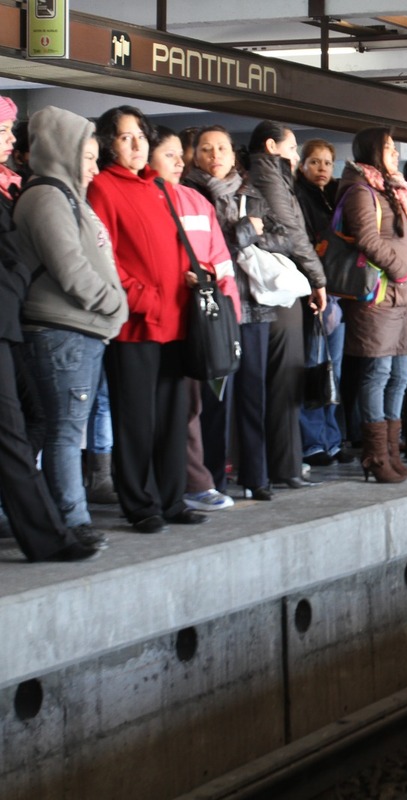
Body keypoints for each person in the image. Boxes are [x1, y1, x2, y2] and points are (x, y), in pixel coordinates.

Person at [87, 105, 204, 532]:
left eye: (140, 135)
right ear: (109, 144)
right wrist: (143, 298)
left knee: (173, 419)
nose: (137, 144)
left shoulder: (158, 186)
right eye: (125, 137)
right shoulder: (102, 187)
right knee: (136, 421)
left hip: (175, 319)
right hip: (135, 324)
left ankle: (172, 499)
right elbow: (103, 257)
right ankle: (140, 505)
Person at [16, 106, 129, 547]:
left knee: (58, 428)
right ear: (62, 151)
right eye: (87, 157)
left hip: (79, 330)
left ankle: (56, 517)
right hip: (62, 331)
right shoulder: (47, 196)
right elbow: (71, 269)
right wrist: (114, 305)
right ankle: (71, 522)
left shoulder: (66, 195)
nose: (94, 168)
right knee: (65, 431)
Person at [0, 96, 100, 562]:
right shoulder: (34, 194)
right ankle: (49, 537)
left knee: (31, 419)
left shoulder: (13, 187)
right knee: (15, 430)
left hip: (10, 322)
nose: (10, 138)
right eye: (2, 130)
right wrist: (18, 274)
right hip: (10, 318)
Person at [184, 125, 280, 501]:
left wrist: (249, 234)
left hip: (254, 307)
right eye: (206, 149)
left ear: (232, 153)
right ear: (195, 155)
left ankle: (257, 476)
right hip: (215, 311)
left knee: (254, 395)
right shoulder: (190, 193)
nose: (214, 156)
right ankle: (213, 479)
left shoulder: (251, 192)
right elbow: (204, 248)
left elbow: (283, 238)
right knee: (216, 401)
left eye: (221, 148)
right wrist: (244, 231)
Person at [147, 126, 239, 513]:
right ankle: (160, 487)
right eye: (169, 155)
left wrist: (229, 319)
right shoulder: (141, 198)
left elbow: (221, 260)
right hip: (150, 320)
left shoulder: (196, 200)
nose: (179, 162)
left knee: (190, 406)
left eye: (178, 155)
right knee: (153, 410)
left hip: (194, 321)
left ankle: (194, 483)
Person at [336, 127, 407, 482]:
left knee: (402, 375)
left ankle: (392, 453)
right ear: (372, 151)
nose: (395, 153)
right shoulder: (361, 189)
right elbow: (367, 238)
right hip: (380, 295)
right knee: (379, 374)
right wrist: (401, 270)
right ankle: (375, 457)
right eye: (388, 148)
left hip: (404, 295)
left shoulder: (394, 189)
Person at [246, 120, 327, 490]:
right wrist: (318, 278)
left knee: (282, 379)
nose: (296, 155)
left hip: (279, 285)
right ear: (271, 146)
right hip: (278, 288)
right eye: (292, 147)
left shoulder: (273, 176)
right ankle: (284, 466)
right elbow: (292, 233)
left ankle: (284, 463)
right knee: (283, 378)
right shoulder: (269, 176)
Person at [294, 137, 351, 467]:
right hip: (313, 293)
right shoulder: (299, 196)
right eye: (314, 162)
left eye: (327, 163)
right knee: (315, 367)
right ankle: (313, 442)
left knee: (334, 369)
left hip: (336, 293)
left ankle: (332, 438)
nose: (322, 168)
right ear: (302, 164)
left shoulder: (334, 197)